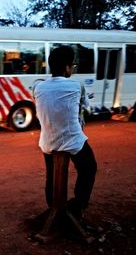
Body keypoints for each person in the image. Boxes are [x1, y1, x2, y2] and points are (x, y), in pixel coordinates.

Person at [32, 46, 97, 220]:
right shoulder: (77, 84)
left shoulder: (38, 86)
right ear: (68, 67)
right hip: (72, 140)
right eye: (73, 66)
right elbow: (85, 112)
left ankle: (53, 207)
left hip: (48, 141)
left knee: (51, 174)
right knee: (89, 168)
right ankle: (77, 205)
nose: (73, 69)